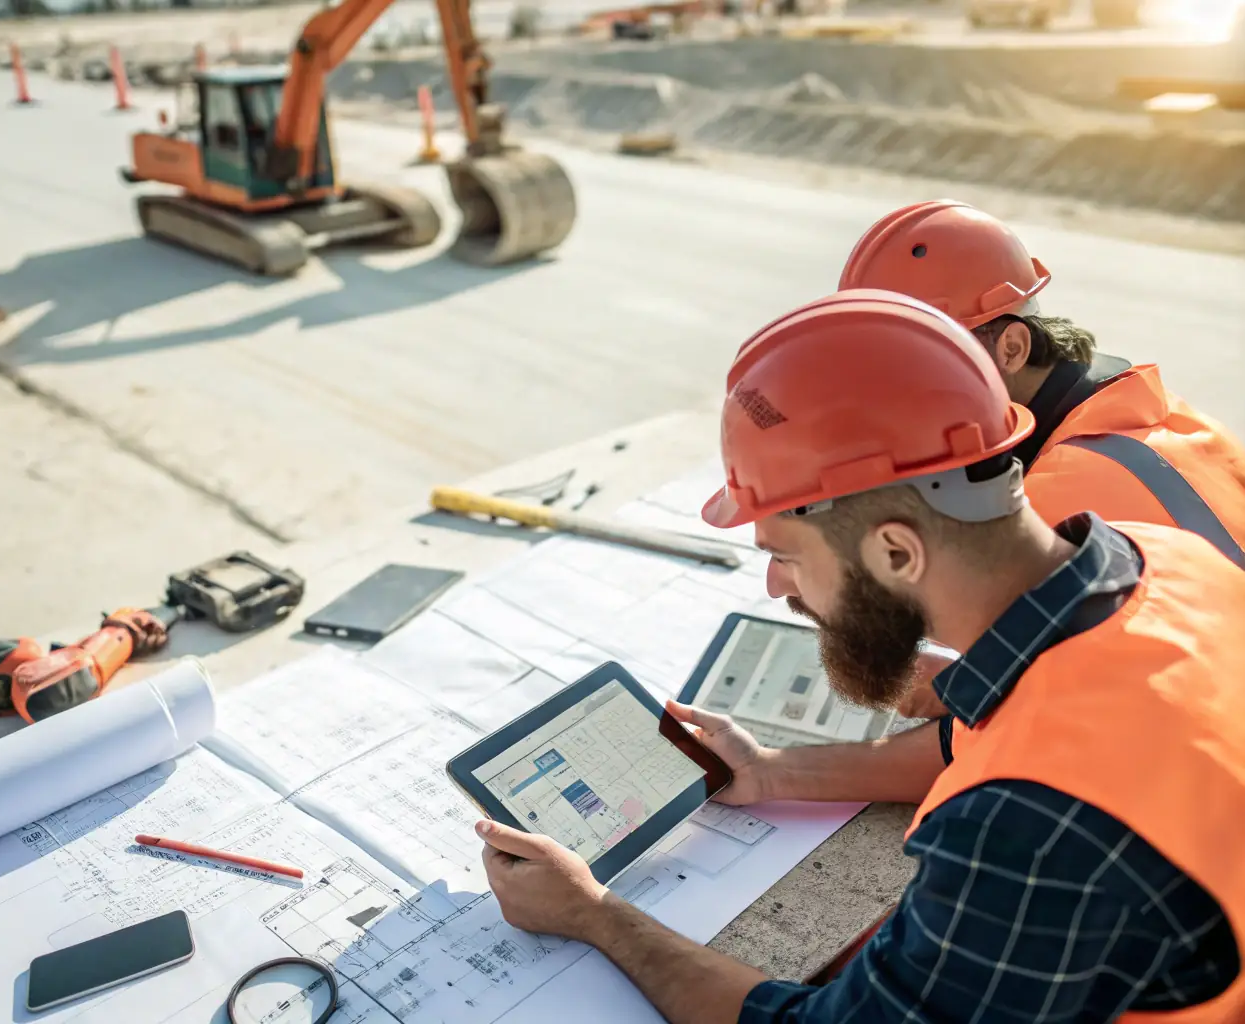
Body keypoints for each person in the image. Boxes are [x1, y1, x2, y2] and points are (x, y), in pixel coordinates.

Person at [477, 290, 1245, 1023]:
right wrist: (775, 771)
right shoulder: (1159, 558)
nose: (777, 587)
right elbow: (991, 735)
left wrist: (596, 916)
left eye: (785, 555)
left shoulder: (1025, 831)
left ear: (893, 550)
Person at [839, 199, 1245, 717]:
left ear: (1010, 348)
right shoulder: (1165, 416)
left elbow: (992, 737)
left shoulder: (1053, 507)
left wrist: (775, 772)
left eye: (921, 365)